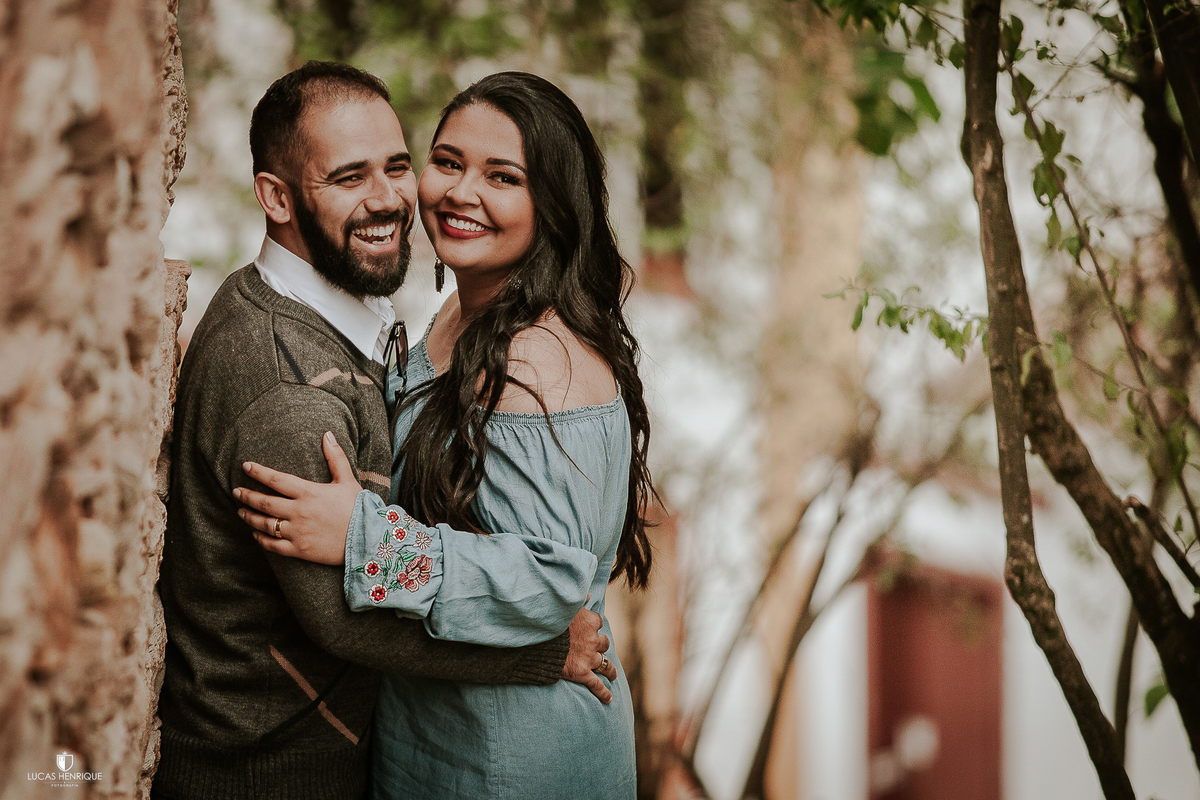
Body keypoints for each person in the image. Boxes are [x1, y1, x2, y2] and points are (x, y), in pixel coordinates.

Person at [154, 62, 613, 800]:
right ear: (276, 197)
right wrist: (541, 654)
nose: (389, 199)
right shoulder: (293, 387)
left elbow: (553, 572)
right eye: (348, 177)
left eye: (398, 166)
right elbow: (340, 618)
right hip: (271, 770)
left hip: (473, 756)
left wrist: (368, 535)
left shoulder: (515, 352)